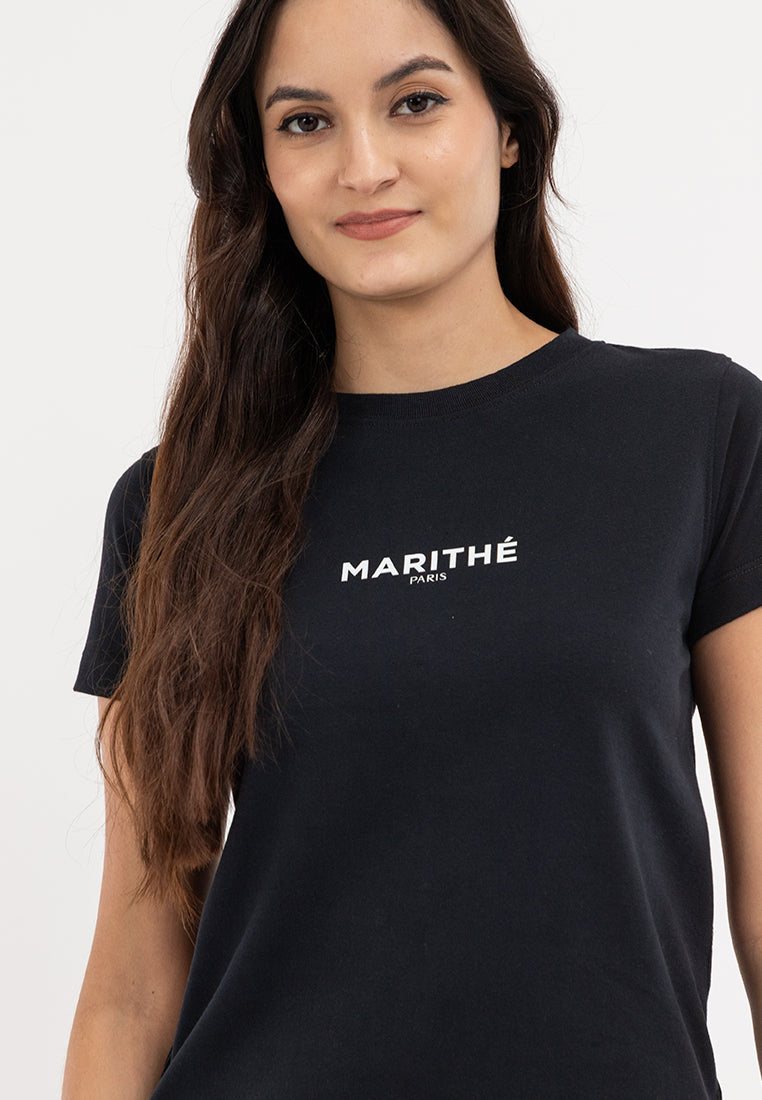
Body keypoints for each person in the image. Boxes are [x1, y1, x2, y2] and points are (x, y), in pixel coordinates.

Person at [62, 0, 762, 1096]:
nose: (364, 166)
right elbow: (132, 982)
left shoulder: (698, 430)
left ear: (510, 127)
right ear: (263, 165)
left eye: (416, 102)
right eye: (305, 122)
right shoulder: (175, 507)